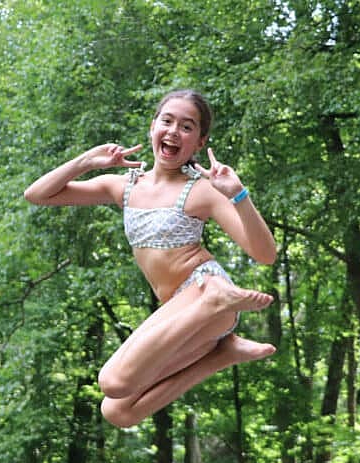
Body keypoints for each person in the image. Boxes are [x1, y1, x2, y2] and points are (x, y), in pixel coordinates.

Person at [24, 89, 277, 428]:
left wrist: (238, 195)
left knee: (112, 381)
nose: (174, 131)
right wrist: (87, 161)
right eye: (167, 121)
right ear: (152, 127)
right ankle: (224, 353)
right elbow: (37, 195)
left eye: (186, 127)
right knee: (118, 410)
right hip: (187, 316)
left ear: (200, 142)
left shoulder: (202, 190)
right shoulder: (124, 187)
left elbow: (265, 254)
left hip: (205, 291)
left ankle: (214, 301)